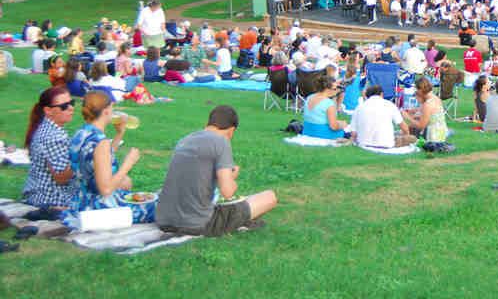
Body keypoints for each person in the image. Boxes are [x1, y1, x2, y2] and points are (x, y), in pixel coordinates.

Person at [156, 105, 278, 236]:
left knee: (242, 201)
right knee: (270, 197)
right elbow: (227, 192)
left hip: (163, 220)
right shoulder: (221, 141)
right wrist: (232, 176)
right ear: (231, 130)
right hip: (197, 223)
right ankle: (239, 223)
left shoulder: (185, 140)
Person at [65, 91, 155, 225]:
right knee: (158, 206)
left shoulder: (81, 133)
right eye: (112, 108)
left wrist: (119, 134)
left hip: (77, 203)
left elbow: (100, 160)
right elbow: (105, 190)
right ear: (106, 111)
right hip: (98, 209)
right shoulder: (101, 142)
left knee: (145, 198)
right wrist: (128, 163)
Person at [22, 86, 76, 209]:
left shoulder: (48, 129)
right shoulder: (54, 137)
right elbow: (61, 178)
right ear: (48, 110)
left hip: (39, 194)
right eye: (64, 106)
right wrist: (81, 155)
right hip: (53, 199)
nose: (71, 108)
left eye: (71, 103)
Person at [350, 84, 415, 148]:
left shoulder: (359, 107)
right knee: (412, 138)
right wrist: (406, 136)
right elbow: (405, 128)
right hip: (386, 143)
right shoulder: (389, 105)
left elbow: (353, 133)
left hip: (363, 143)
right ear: (381, 94)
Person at [302, 72, 350, 140]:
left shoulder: (309, 97)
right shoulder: (328, 103)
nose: (337, 91)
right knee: (349, 133)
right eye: (336, 88)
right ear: (329, 89)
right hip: (322, 133)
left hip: (307, 131)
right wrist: (342, 124)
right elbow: (333, 126)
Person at [402, 77, 448, 142]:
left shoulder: (428, 104)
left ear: (420, 90)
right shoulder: (435, 98)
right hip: (441, 131)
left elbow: (421, 126)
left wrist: (408, 118)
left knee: (409, 128)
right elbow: (430, 114)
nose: (416, 91)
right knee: (414, 120)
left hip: (434, 136)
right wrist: (415, 111)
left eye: (416, 89)